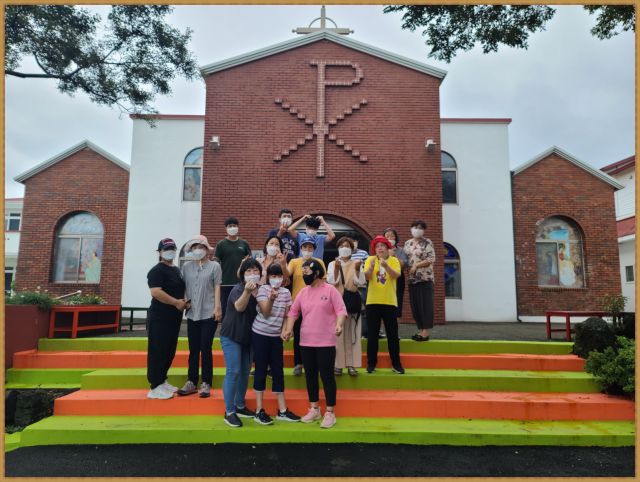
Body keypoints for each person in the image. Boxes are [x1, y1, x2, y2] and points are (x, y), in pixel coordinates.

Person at [282, 259, 347, 429]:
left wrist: (339, 324)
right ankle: (314, 408)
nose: (304, 275)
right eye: (302, 272)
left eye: (307, 272)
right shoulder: (303, 292)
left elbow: (341, 310)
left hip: (326, 342)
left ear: (317, 272)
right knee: (310, 375)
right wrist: (288, 329)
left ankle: (330, 412)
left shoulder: (330, 290)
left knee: (327, 376)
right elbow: (293, 312)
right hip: (306, 341)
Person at [252, 264, 301, 424]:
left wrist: (286, 330)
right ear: (268, 277)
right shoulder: (263, 290)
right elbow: (265, 312)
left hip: (276, 337)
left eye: (279, 276)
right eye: (273, 276)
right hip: (260, 334)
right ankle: (259, 410)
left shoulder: (286, 292)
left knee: (278, 371)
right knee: (260, 370)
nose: (276, 279)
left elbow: (288, 315)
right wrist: (272, 299)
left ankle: (282, 410)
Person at [177, 235, 222, 398]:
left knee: (205, 347)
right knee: (193, 349)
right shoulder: (186, 267)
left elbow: (217, 287)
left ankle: (206, 382)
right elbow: (183, 286)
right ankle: (191, 381)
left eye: (201, 247)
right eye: (195, 247)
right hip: (192, 312)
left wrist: (217, 307)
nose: (198, 250)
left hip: (209, 312)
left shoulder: (215, 266)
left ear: (207, 249)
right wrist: (184, 301)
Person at [219, 258, 262, 428]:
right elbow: (239, 307)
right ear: (243, 275)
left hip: (248, 338)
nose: (252, 274)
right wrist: (247, 292)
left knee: (245, 372)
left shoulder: (262, 290)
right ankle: (229, 411)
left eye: (255, 271)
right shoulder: (237, 289)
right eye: (248, 271)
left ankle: (240, 405)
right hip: (231, 335)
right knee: (234, 371)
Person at [146, 238, 187, 399]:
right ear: (160, 252)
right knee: (158, 350)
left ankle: (162, 380)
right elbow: (156, 292)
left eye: (172, 248)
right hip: (159, 317)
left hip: (174, 317)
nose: (170, 251)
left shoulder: (176, 270)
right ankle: (154, 386)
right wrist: (176, 302)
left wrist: (183, 302)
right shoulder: (156, 270)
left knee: (169, 350)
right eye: (166, 249)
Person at [364, 235, 404, 374]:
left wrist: (386, 266)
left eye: (382, 246)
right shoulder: (370, 259)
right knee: (372, 335)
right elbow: (367, 277)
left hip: (389, 301)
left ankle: (396, 364)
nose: (380, 248)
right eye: (377, 246)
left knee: (392, 335)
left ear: (387, 248)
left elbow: (396, 275)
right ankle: (371, 364)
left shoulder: (394, 260)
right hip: (372, 301)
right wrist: (371, 268)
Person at [287, 239, 326, 376]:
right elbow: (286, 275)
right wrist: (282, 262)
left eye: (310, 248)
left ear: (314, 249)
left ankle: (316, 363)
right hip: (298, 303)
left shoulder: (319, 262)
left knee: (316, 333)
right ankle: (298, 363)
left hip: (316, 304)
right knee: (298, 334)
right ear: (301, 248)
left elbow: (323, 280)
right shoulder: (294, 262)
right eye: (305, 247)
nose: (307, 250)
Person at [327, 237, 365, 376]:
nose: (344, 248)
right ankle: (338, 365)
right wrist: (337, 269)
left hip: (351, 303)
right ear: (338, 248)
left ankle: (352, 365)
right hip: (337, 304)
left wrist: (357, 269)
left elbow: (360, 282)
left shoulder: (356, 263)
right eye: (342, 246)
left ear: (352, 249)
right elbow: (332, 281)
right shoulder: (332, 264)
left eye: (347, 246)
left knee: (352, 335)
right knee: (338, 335)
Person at [404, 220, 436, 341]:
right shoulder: (408, 243)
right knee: (416, 305)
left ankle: (425, 332)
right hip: (412, 279)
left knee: (425, 305)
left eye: (420, 228)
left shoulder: (427, 242)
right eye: (415, 227)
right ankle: (421, 330)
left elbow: (431, 258)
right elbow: (405, 259)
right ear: (411, 228)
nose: (417, 230)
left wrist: (416, 265)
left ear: (424, 230)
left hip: (425, 279)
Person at [215, 217, 252, 320]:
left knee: (240, 308)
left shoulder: (244, 243)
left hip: (241, 283)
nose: (232, 228)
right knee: (226, 309)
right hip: (225, 283)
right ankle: (226, 327)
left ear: (238, 227)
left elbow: (249, 260)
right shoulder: (221, 244)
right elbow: (216, 262)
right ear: (226, 228)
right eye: (230, 226)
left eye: (234, 226)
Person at [383, 228, 408, 327]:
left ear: (396, 238)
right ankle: (382, 329)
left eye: (392, 236)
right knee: (383, 302)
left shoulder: (401, 250)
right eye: (387, 236)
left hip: (398, 278)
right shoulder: (381, 249)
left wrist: (394, 256)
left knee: (397, 302)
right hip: (383, 278)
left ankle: (395, 329)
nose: (390, 238)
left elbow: (403, 265)